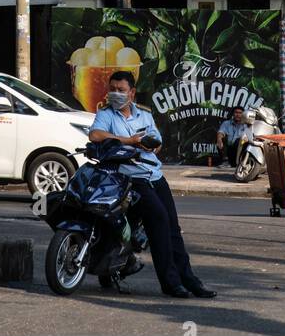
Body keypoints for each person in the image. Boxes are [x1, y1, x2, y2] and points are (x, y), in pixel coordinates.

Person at [89, 70, 217, 300]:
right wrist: (130, 141)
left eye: (121, 90)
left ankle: (190, 280)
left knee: (173, 228)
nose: (116, 94)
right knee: (158, 219)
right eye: (113, 90)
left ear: (132, 92)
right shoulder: (106, 114)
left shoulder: (144, 116)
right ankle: (170, 283)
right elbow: (95, 136)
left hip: (153, 174)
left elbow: (156, 142)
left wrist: (151, 144)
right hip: (129, 178)